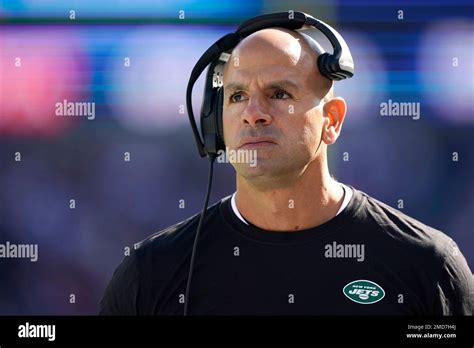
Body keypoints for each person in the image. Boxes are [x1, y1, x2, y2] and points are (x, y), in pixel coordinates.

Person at [99, 20, 473, 316]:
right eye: (237, 96)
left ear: (332, 120)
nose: (254, 114)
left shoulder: (427, 265)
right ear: (215, 123)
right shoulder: (152, 273)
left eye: (279, 94)